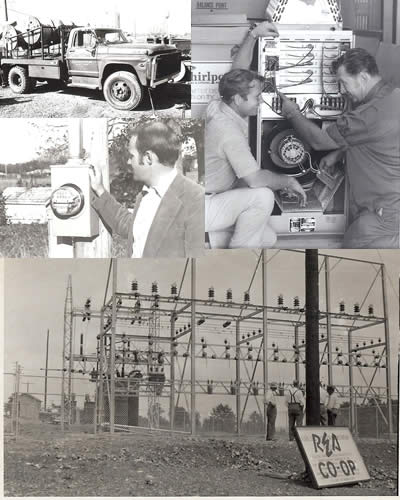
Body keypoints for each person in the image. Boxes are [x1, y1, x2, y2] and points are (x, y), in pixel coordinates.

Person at [278, 48, 400, 248]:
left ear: (362, 77)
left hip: (383, 215)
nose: (342, 91)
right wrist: (340, 152)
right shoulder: (394, 96)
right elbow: (381, 138)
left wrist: (293, 114)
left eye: (344, 83)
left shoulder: (368, 114)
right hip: (390, 209)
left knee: (349, 262)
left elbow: (319, 141)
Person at [205, 68, 307, 249]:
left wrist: (252, 37)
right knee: (263, 197)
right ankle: (239, 260)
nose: (260, 101)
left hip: (213, 198)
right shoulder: (227, 130)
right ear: (237, 99)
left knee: (269, 238)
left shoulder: (219, 107)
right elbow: (254, 179)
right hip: (204, 204)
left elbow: (231, 80)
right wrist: (288, 181)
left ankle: (206, 240)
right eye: (256, 97)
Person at [89, 121, 204, 258]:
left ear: (148, 158)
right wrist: (100, 190)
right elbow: (131, 226)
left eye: (132, 156)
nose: (128, 162)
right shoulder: (147, 193)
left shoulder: (196, 199)